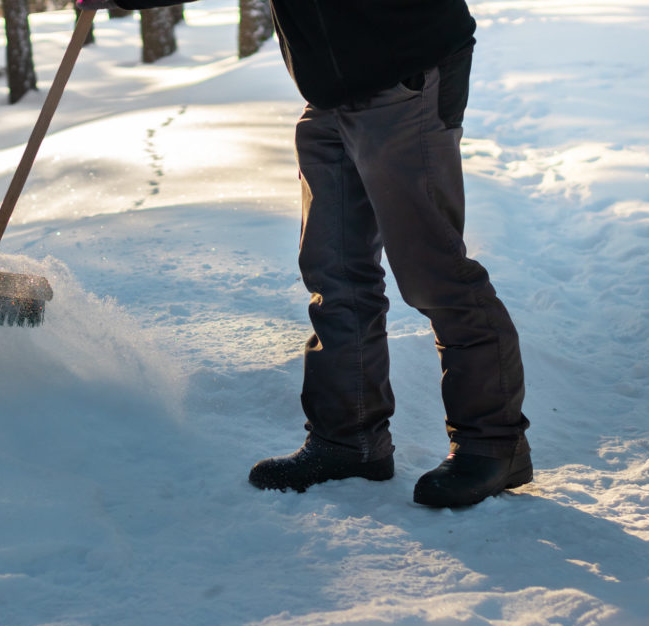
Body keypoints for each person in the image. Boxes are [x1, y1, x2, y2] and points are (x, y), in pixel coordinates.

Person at [78, 0, 532, 507]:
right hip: (332, 87)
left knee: (433, 272)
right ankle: (349, 440)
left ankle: (493, 446)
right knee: (334, 271)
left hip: (405, 70)